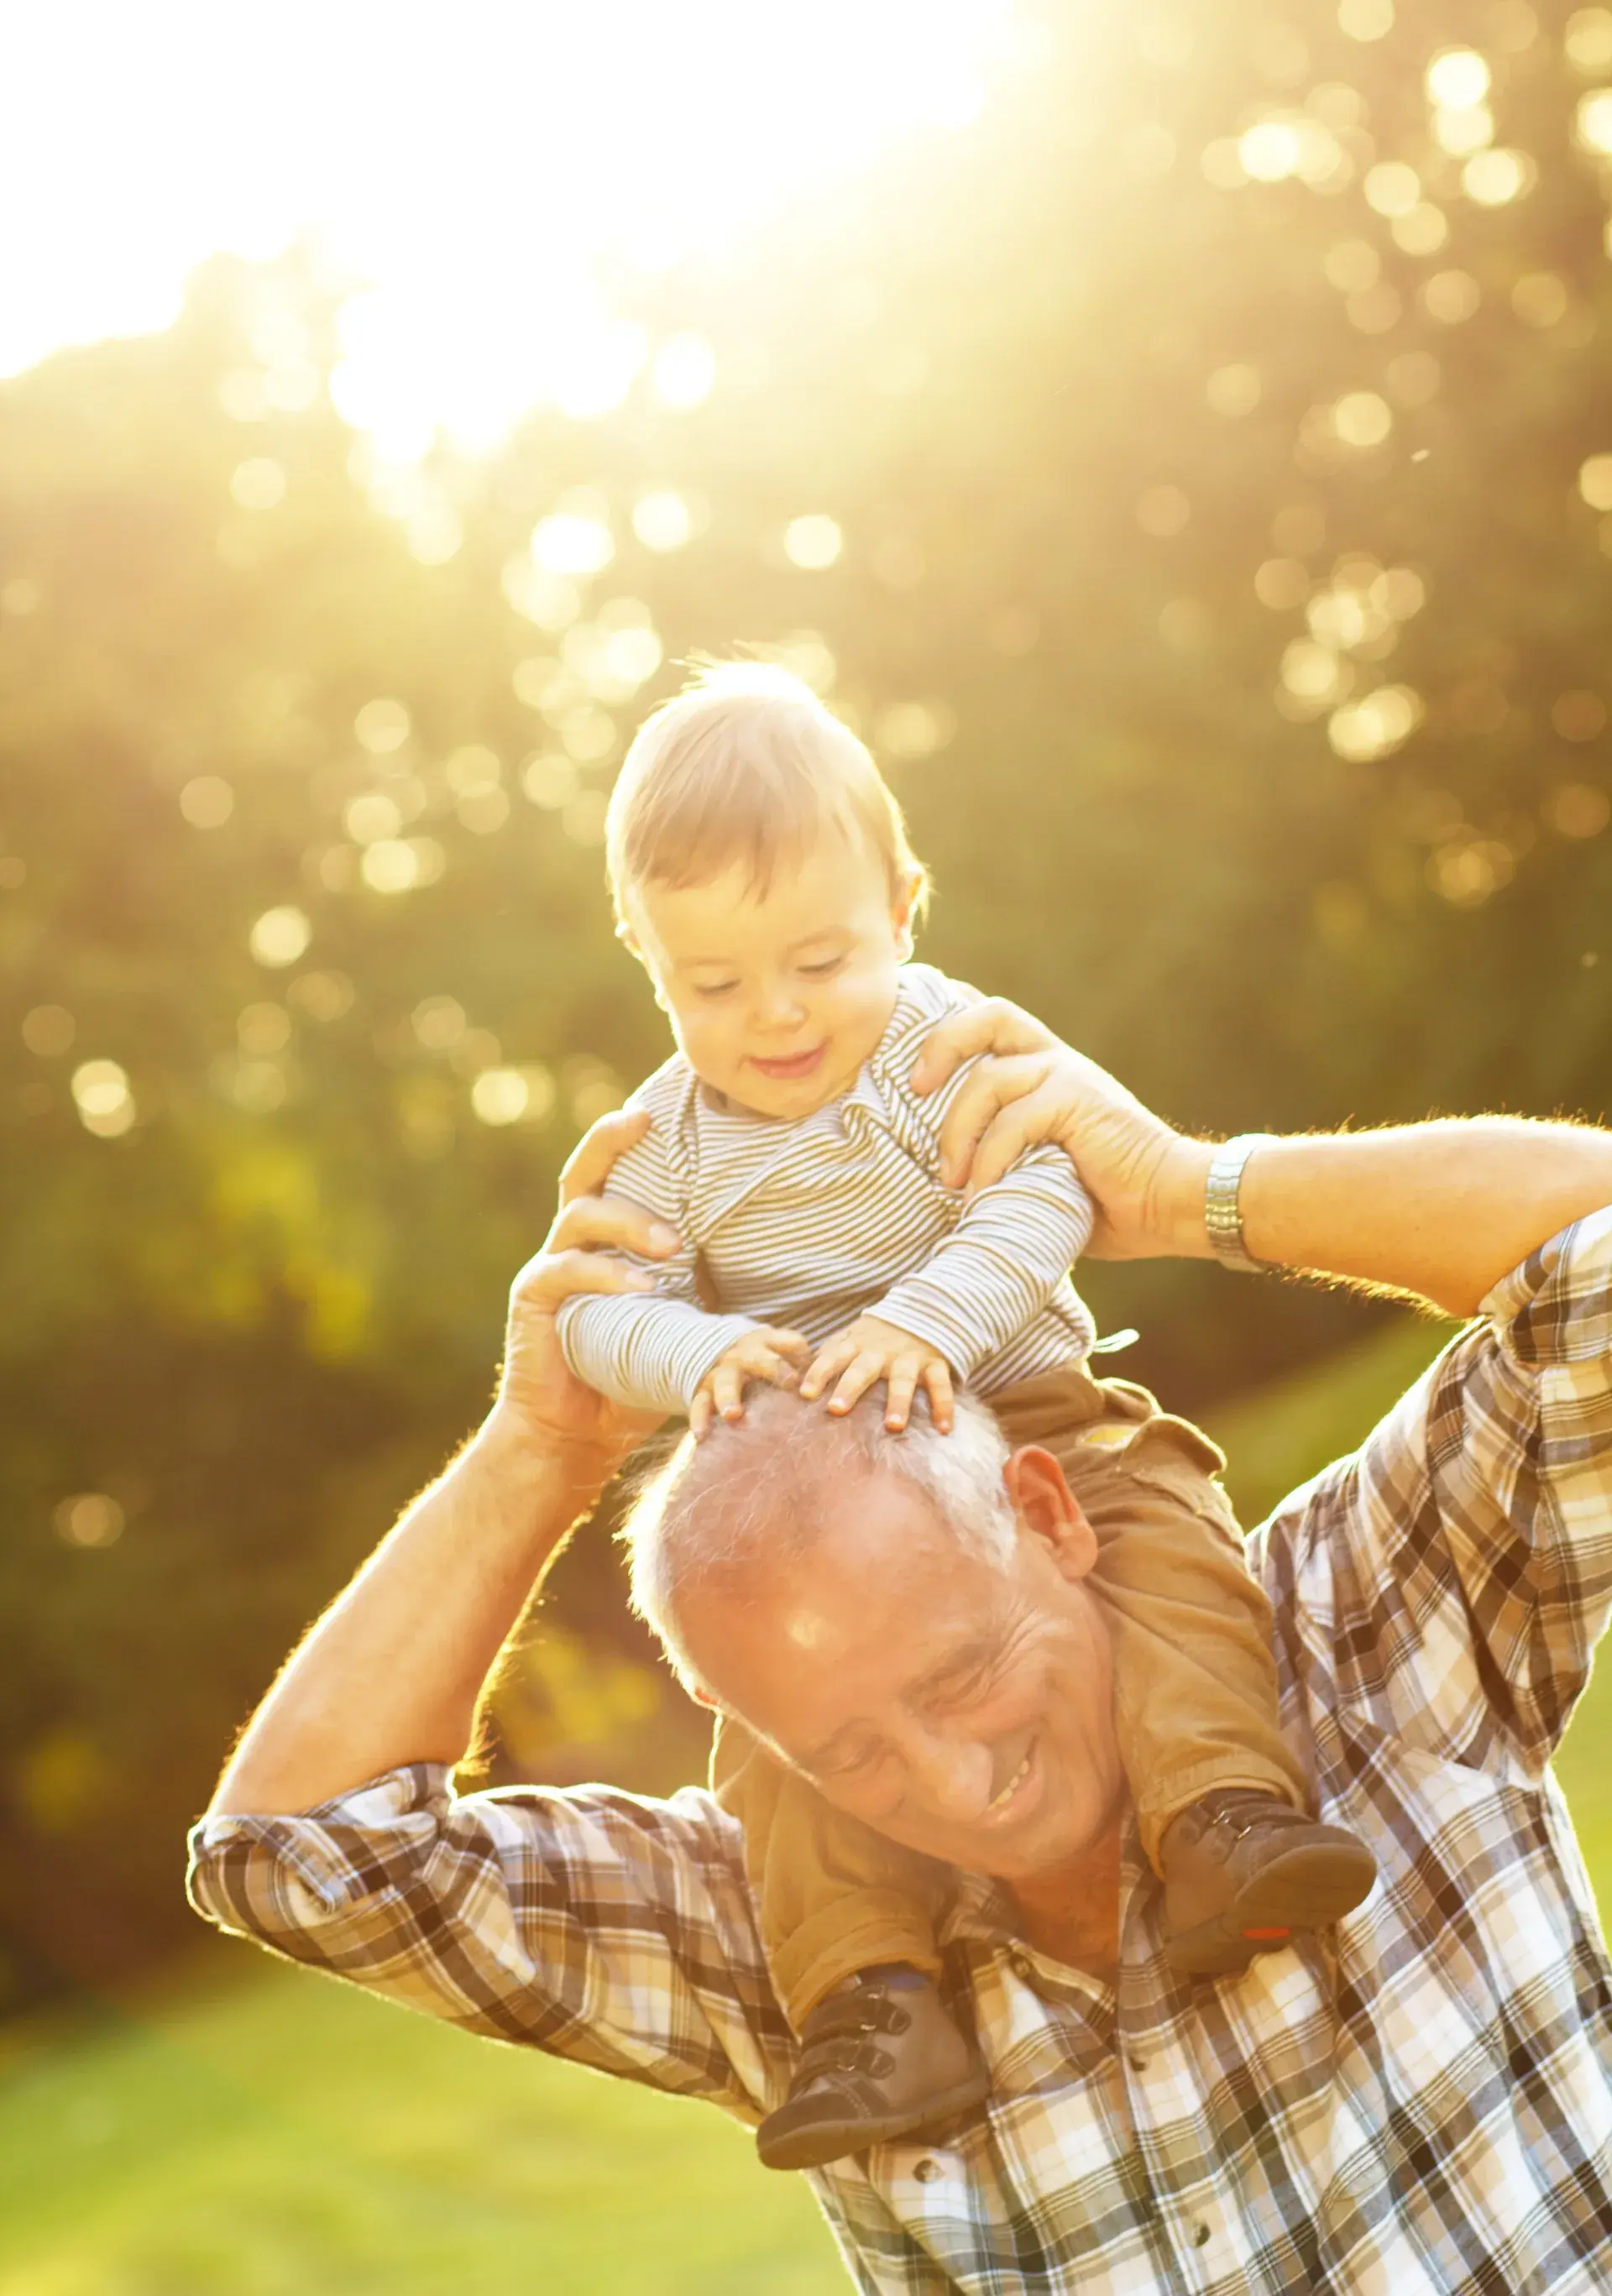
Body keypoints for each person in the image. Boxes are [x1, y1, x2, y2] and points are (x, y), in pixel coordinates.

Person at [189, 1011, 1612, 2295]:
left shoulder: (1362, 1632)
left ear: (1049, 1514)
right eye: (849, 1748)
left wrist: (1190, 1191)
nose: (954, 1785)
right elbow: (298, 1853)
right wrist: (537, 1448)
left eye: (957, 1673)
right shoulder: (785, 1950)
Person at [553, 660, 1372, 2163]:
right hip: (825, 1508)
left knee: (1168, 1538)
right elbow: (590, 1308)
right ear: (647, 961)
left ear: (903, 909)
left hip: (1029, 1407)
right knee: (777, 1731)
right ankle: (870, 1997)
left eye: (819, 959)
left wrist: (920, 1318)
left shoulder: (945, 1050)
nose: (776, 1015)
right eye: (713, 986)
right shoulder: (663, 1139)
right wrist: (690, 1354)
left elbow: (1049, 1186)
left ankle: (1220, 1815)